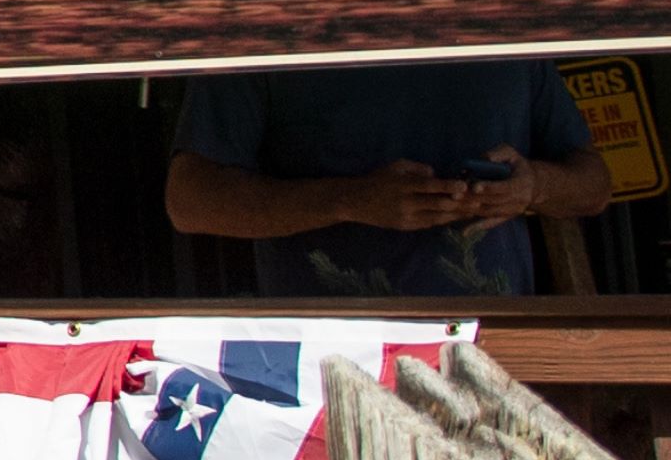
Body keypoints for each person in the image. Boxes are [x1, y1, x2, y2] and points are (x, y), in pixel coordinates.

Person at [166, 60, 612, 300]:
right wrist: (349, 200)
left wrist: (532, 187)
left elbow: (594, 184)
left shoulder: (501, 31)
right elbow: (190, 199)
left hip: (495, 354)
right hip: (333, 365)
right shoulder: (270, 32)